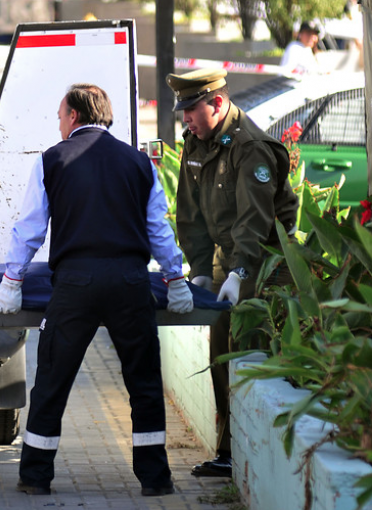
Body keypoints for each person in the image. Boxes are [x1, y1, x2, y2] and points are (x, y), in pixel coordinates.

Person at [0, 83, 195, 497]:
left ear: (75, 117)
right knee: (145, 383)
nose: (58, 123)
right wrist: (175, 278)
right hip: (131, 283)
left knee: (52, 379)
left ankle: (36, 477)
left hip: (76, 283)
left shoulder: (52, 160)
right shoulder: (138, 163)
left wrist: (12, 280)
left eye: (61, 116)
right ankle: (155, 480)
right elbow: (158, 228)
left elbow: (29, 229)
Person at [165, 68, 299, 478]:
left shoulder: (250, 147)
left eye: (191, 110)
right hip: (231, 259)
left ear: (217, 103)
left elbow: (254, 223)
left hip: (267, 265)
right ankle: (228, 450)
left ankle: (239, 452)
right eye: (183, 111)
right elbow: (190, 216)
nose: (185, 119)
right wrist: (202, 271)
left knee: (249, 351)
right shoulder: (197, 142)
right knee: (220, 354)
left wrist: (239, 274)